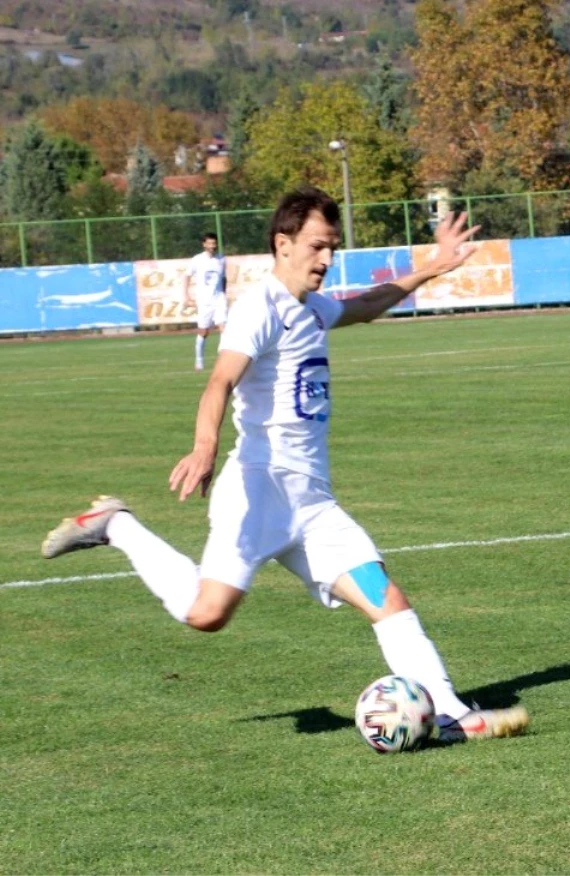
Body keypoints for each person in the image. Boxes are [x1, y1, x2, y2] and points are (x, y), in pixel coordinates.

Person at [42, 186, 528, 741]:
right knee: (206, 615)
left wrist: (434, 266)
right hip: (257, 491)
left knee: (385, 597)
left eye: (333, 249)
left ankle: (450, 713)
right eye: (318, 246)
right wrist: (203, 447)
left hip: (312, 503)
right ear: (283, 243)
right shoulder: (259, 309)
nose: (326, 259)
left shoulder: (312, 307)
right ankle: (117, 524)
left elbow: (367, 305)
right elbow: (220, 381)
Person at [183, 232, 227, 371]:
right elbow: (186, 276)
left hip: (219, 298)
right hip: (204, 300)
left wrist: (223, 294)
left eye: (214, 243)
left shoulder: (221, 259)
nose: (212, 246)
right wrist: (186, 296)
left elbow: (223, 278)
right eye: (209, 243)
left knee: (224, 328)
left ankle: (224, 359)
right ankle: (199, 360)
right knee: (204, 331)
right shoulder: (197, 259)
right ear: (204, 244)